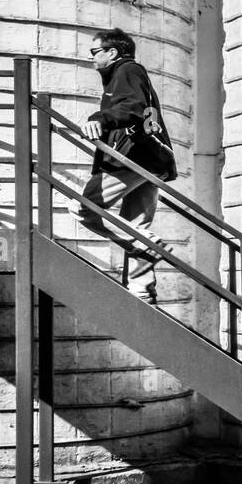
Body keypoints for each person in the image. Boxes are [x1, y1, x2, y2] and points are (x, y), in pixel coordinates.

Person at [78, 28, 177, 304]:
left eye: (94, 52)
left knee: (83, 208)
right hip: (152, 158)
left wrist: (101, 117)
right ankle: (142, 291)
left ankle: (146, 244)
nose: (91, 59)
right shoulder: (128, 75)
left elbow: (131, 107)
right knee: (135, 224)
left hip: (133, 158)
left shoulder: (127, 70)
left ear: (112, 53)